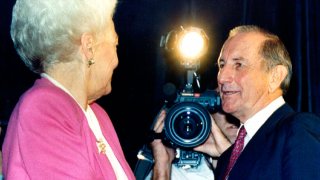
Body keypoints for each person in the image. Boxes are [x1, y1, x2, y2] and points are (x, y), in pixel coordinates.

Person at [2, 0, 135, 179]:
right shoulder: (43, 106)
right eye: (115, 44)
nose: (117, 60)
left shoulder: (98, 116)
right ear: (89, 46)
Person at [214, 25, 320, 179]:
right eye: (221, 65)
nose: (222, 77)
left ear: (275, 76)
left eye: (239, 65)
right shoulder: (225, 159)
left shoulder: (298, 130)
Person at [149, 109, 239, 180]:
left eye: (238, 106)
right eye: (222, 107)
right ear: (208, 116)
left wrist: (227, 156)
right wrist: (162, 166)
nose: (232, 113)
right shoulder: (178, 174)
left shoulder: (253, 165)